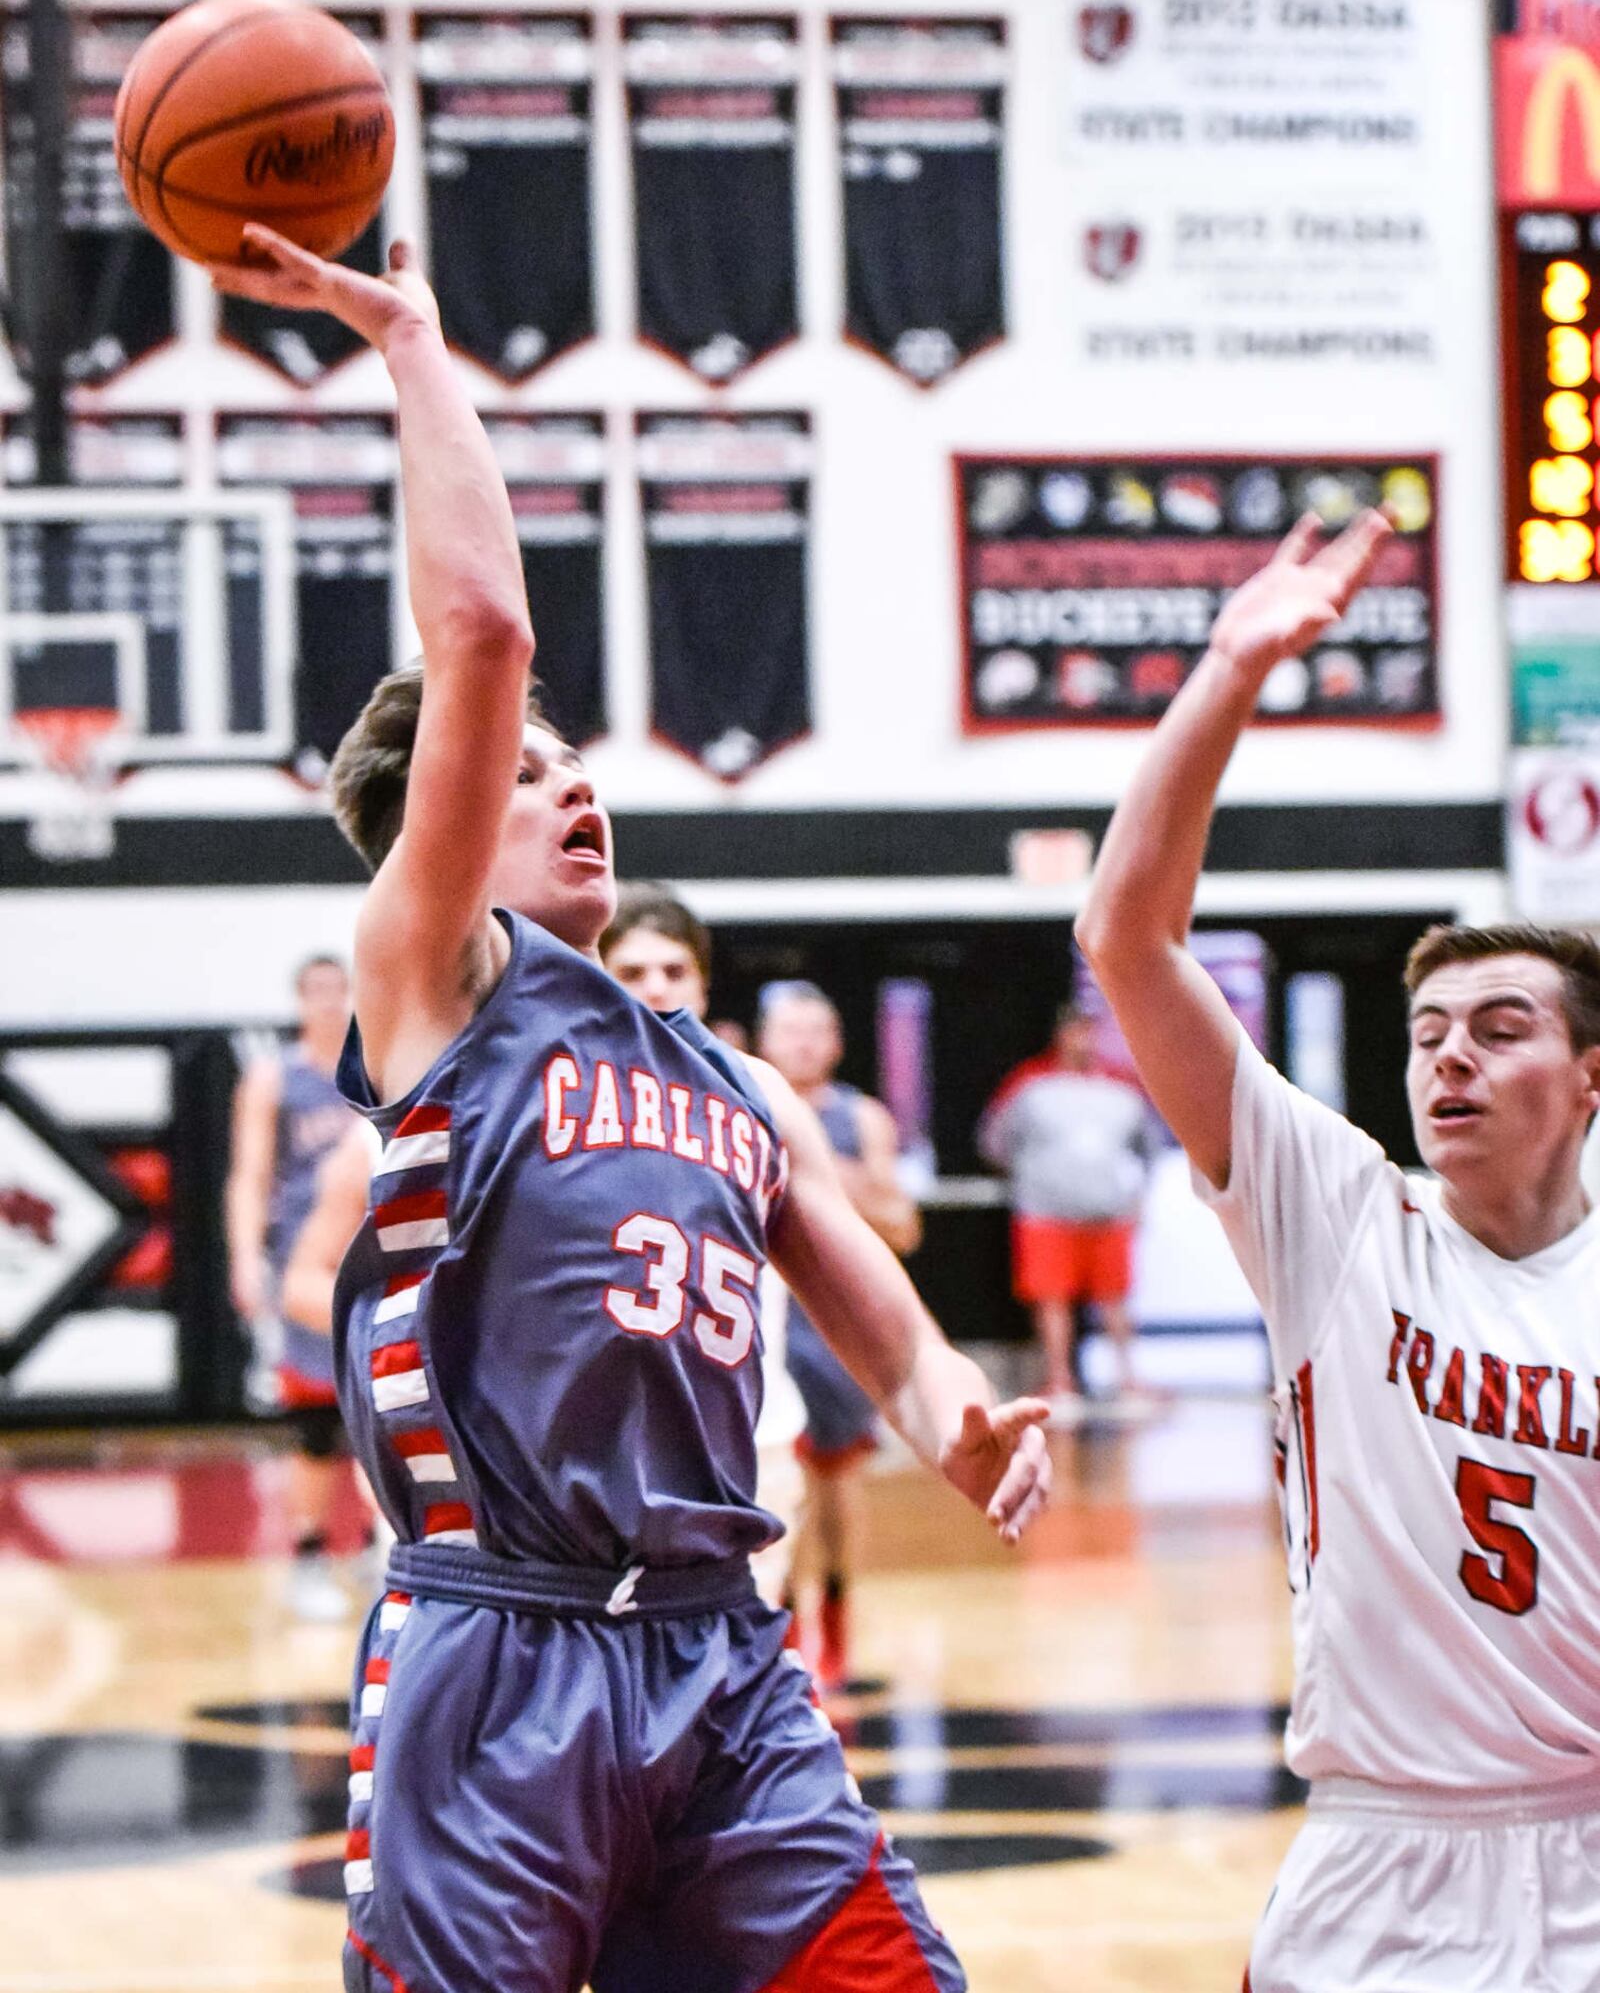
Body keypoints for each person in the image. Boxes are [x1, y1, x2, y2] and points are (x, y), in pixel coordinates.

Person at [211, 221, 1050, 1993]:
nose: (570, 776)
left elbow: (886, 1333)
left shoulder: (732, 1081)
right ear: (432, 832)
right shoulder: (441, 985)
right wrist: (414, 342)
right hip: (500, 1650)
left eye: (574, 760)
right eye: (520, 771)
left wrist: (960, 1418)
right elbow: (489, 627)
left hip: (718, 1656)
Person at [1076, 504, 1600, 1993]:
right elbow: (1129, 933)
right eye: (1429, 1032)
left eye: (1502, 1031)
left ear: (1589, 1076)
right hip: (1383, 1852)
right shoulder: (1337, 1212)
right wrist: (1232, 667)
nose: (1450, 1061)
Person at [599, 883, 808, 1610]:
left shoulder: (760, 1096)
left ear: (703, 981)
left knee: (729, 1690)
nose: (656, 987)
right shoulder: (559, 1094)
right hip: (605, 1454)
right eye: (631, 972)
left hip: (750, 1440)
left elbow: (877, 1234)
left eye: (674, 970)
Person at [756, 981, 921, 1690]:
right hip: (761, 1317)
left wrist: (832, 1174)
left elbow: (900, 1224)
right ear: (765, 1040)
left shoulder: (864, 1118)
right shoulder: (741, 1099)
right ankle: (784, 1625)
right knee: (776, 1482)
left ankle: (840, 1613)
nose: (802, 1044)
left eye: (815, 1031)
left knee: (838, 1478)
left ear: (838, 1042)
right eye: (789, 1031)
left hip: (831, 1319)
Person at [226, 952, 359, 1620]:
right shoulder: (275, 1078)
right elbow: (249, 1176)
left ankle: (369, 1547)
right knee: (315, 1420)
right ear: (300, 1000)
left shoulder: (377, 1067)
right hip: (306, 1264)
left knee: (381, 1412)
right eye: (318, 991)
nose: (330, 1001)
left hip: (369, 1257)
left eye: (340, 989)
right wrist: (245, 1256)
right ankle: (307, 1555)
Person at [977, 1002, 1157, 1412]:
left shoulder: (1122, 1086)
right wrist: (1033, 1178)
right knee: (1051, 1298)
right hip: (1045, 1213)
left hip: (1107, 1212)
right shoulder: (1029, 1085)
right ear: (1060, 1034)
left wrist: (1138, 1199)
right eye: (1076, 1031)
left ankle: (1127, 1379)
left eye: (1090, 1031)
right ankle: (1060, 1380)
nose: (1084, 1039)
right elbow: (995, 1142)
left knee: (1115, 1297)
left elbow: (1148, 1147)